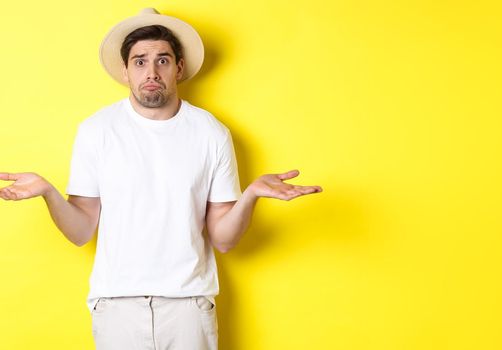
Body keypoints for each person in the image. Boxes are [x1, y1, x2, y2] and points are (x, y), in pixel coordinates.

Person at [0, 8, 322, 350]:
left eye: (162, 60)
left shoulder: (211, 133)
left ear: (179, 68)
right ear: (125, 70)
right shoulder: (96, 131)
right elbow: (81, 232)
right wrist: (49, 192)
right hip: (116, 306)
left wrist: (251, 195)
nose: (151, 71)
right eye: (139, 61)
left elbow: (224, 240)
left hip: (188, 306)